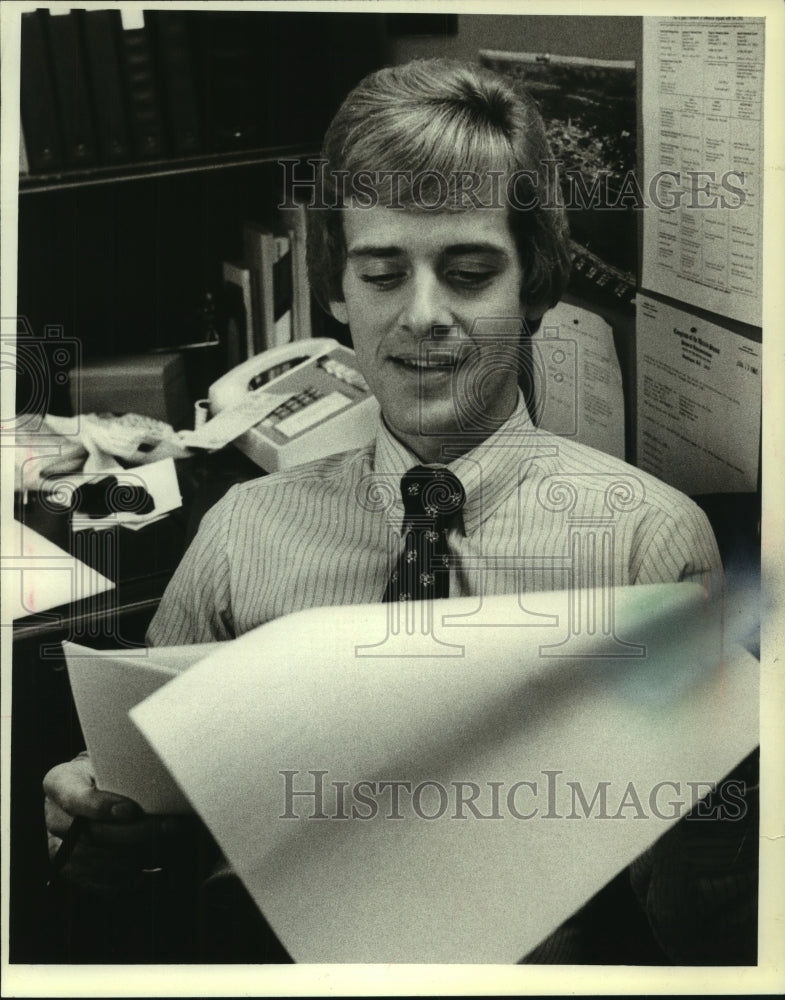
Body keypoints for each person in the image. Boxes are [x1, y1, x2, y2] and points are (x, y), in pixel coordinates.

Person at [44, 58, 749, 964]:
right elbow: (138, 826)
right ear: (338, 291)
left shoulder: (648, 543)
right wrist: (95, 821)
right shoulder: (241, 533)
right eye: (382, 274)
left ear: (533, 287)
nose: (422, 316)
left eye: (467, 272)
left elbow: (704, 937)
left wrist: (726, 823)